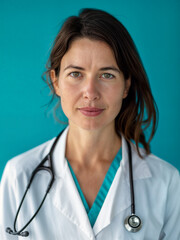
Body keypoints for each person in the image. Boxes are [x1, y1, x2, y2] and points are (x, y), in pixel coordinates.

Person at [0, 8, 180, 240]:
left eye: (106, 75)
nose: (90, 93)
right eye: (76, 74)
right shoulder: (19, 176)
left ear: (126, 86)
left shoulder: (165, 182)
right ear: (55, 82)